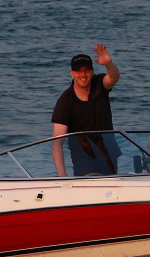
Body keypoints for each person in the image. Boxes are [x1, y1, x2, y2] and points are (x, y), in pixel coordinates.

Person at [51, 44, 121, 176]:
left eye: (87, 70)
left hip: (108, 150)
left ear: (92, 72)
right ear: (72, 74)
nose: (83, 74)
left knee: (112, 186)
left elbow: (114, 77)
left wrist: (109, 64)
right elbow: (57, 141)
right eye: (79, 71)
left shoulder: (99, 84)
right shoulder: (65, 101)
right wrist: (62, 177)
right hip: (84, 155)